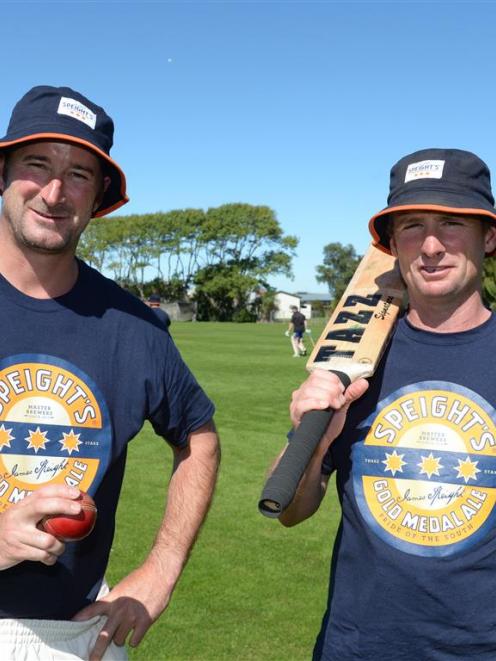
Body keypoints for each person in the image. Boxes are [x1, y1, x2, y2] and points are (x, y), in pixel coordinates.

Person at [0, 85, 220, 660]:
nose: (53, 191)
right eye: (36, 163)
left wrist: (160, 571)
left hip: (68, 636)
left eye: (78, 174)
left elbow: (198, 436)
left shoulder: (133, 325)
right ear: (3, 172)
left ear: (100, 195)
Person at [269, 148, 496, 659]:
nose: (431, 246)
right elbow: (291, 510)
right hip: (357, 646)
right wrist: (318, 434)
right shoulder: (354, 358)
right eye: (413, 227)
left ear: (490, 237)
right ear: (392, 244)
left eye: (452, 224)